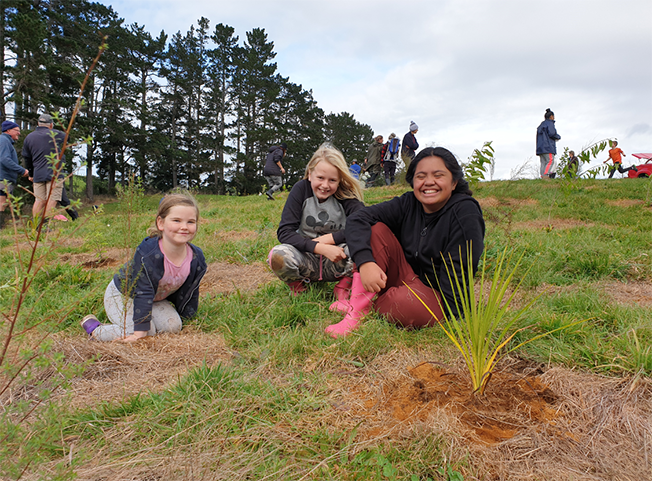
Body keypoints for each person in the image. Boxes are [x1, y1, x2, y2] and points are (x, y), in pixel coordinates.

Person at [325, 146, 485, 338]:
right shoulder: (409, 203)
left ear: (454, 182)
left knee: (402, 303)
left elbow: (458, 272)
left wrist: (453, 317)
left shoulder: (465, 213)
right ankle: (357, 311)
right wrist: (366, 261)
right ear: (413, 182)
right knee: (375, 229)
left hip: (438, 295)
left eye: (438, 175)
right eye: (421, 176)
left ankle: (361, 302)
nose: (429, 182)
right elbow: (358, 218)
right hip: (406, 276)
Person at [80, 193, 207, 342]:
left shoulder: (196, 258)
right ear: (161, 223)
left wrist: (189, 318)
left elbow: (192, 291)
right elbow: (143, 291)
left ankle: (138, 326)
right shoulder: (148, 254)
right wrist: (139, 332)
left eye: (190, 222)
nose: (184, 227)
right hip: (124, 295)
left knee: (173, 326)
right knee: (146, 332)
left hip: (155, 299)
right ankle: (95, 329)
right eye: (177, 220)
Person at [268, 143, 364, 300]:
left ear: (340, 180)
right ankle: (298, 286)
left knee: (367, 245)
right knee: (277, 255)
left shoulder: (346, 194)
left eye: (332, 180)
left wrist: (330, 239)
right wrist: (319, 247)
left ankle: (343, 286)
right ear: (310, 174)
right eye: (320, 178)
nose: (325, 185)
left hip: (339, 256)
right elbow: (285, 232)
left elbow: (364, 223)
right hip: (307, 256)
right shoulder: (300, 189)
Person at [22, 113, 67, 221]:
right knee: (53, 198)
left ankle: (35, 224)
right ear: (51, 125)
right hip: (54, 173)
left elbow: (26, 158)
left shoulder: (29, 137)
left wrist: (31, 174)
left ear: (38, 123)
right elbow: (67, 138)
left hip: (38, 173)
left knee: (39, 200)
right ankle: (44, 224)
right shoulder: (56, 134)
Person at [0, 120, 29, 229]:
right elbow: (4, 159)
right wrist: (22, 170)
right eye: (16, 130)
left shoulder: (5, 141)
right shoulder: (4, 141)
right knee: (2, 202)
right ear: (8, 130)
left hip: (5, 177)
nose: (19, 133)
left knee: (4, 201)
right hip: (3, 178)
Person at [536, 108, 561, 179]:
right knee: (550, 160)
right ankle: (546, 175)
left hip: (540, 148)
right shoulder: (550, 123)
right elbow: (552, 133)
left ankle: (542, 176)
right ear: (551, 116)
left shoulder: (541, 125)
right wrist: (558, 137)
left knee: (543, 162)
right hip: (548, 147)